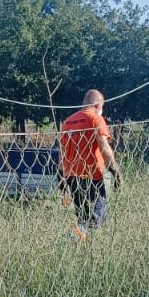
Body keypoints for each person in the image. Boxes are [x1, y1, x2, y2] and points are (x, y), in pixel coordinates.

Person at [58, 89, 123, 234]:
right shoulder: (95, 119)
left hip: (72, 177)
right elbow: (104, 147)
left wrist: (61, 179)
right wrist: (116, 173)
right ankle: (73, 239)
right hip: (93, 177)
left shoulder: (68, 122)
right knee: (98, 217)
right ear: (97, 105)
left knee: (83, 217)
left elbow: (61, 154)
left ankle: (79, 243)